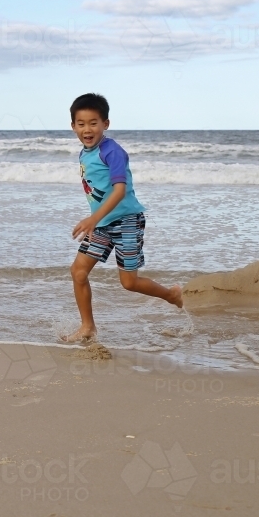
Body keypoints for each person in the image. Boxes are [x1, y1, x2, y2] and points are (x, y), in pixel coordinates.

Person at [64, 93, 182, 343]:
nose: (87, 129)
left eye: (93, 123)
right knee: (78, 272)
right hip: (102, 223)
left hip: (127, 220)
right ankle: (87, 327)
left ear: (106, 124)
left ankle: (171, 295)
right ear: (73, 126)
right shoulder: (84, 152)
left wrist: (93, 218)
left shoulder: (113, 152)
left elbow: (118, 190)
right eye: (81, 123)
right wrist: (96, 219)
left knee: (129, 283)